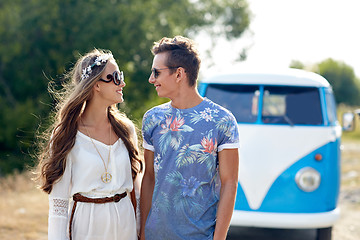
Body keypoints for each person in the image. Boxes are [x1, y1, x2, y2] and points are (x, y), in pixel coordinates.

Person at [140, 36, 240, 240]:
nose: (151, 79)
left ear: (179, 74)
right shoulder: (152, 119)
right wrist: (142, 232)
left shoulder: (223, 121)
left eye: (156, 72)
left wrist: (218, 238)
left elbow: (230, 182)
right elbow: (149, 177)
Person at [36, 49, 142, 240]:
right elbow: (58, 205)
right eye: (115, 77)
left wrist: (142, 231)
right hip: (87, 227)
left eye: (121, 76)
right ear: (96, 85)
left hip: (126, 224)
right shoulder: (66, 135)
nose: (122, 83)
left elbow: (138, 191)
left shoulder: (126, 130)